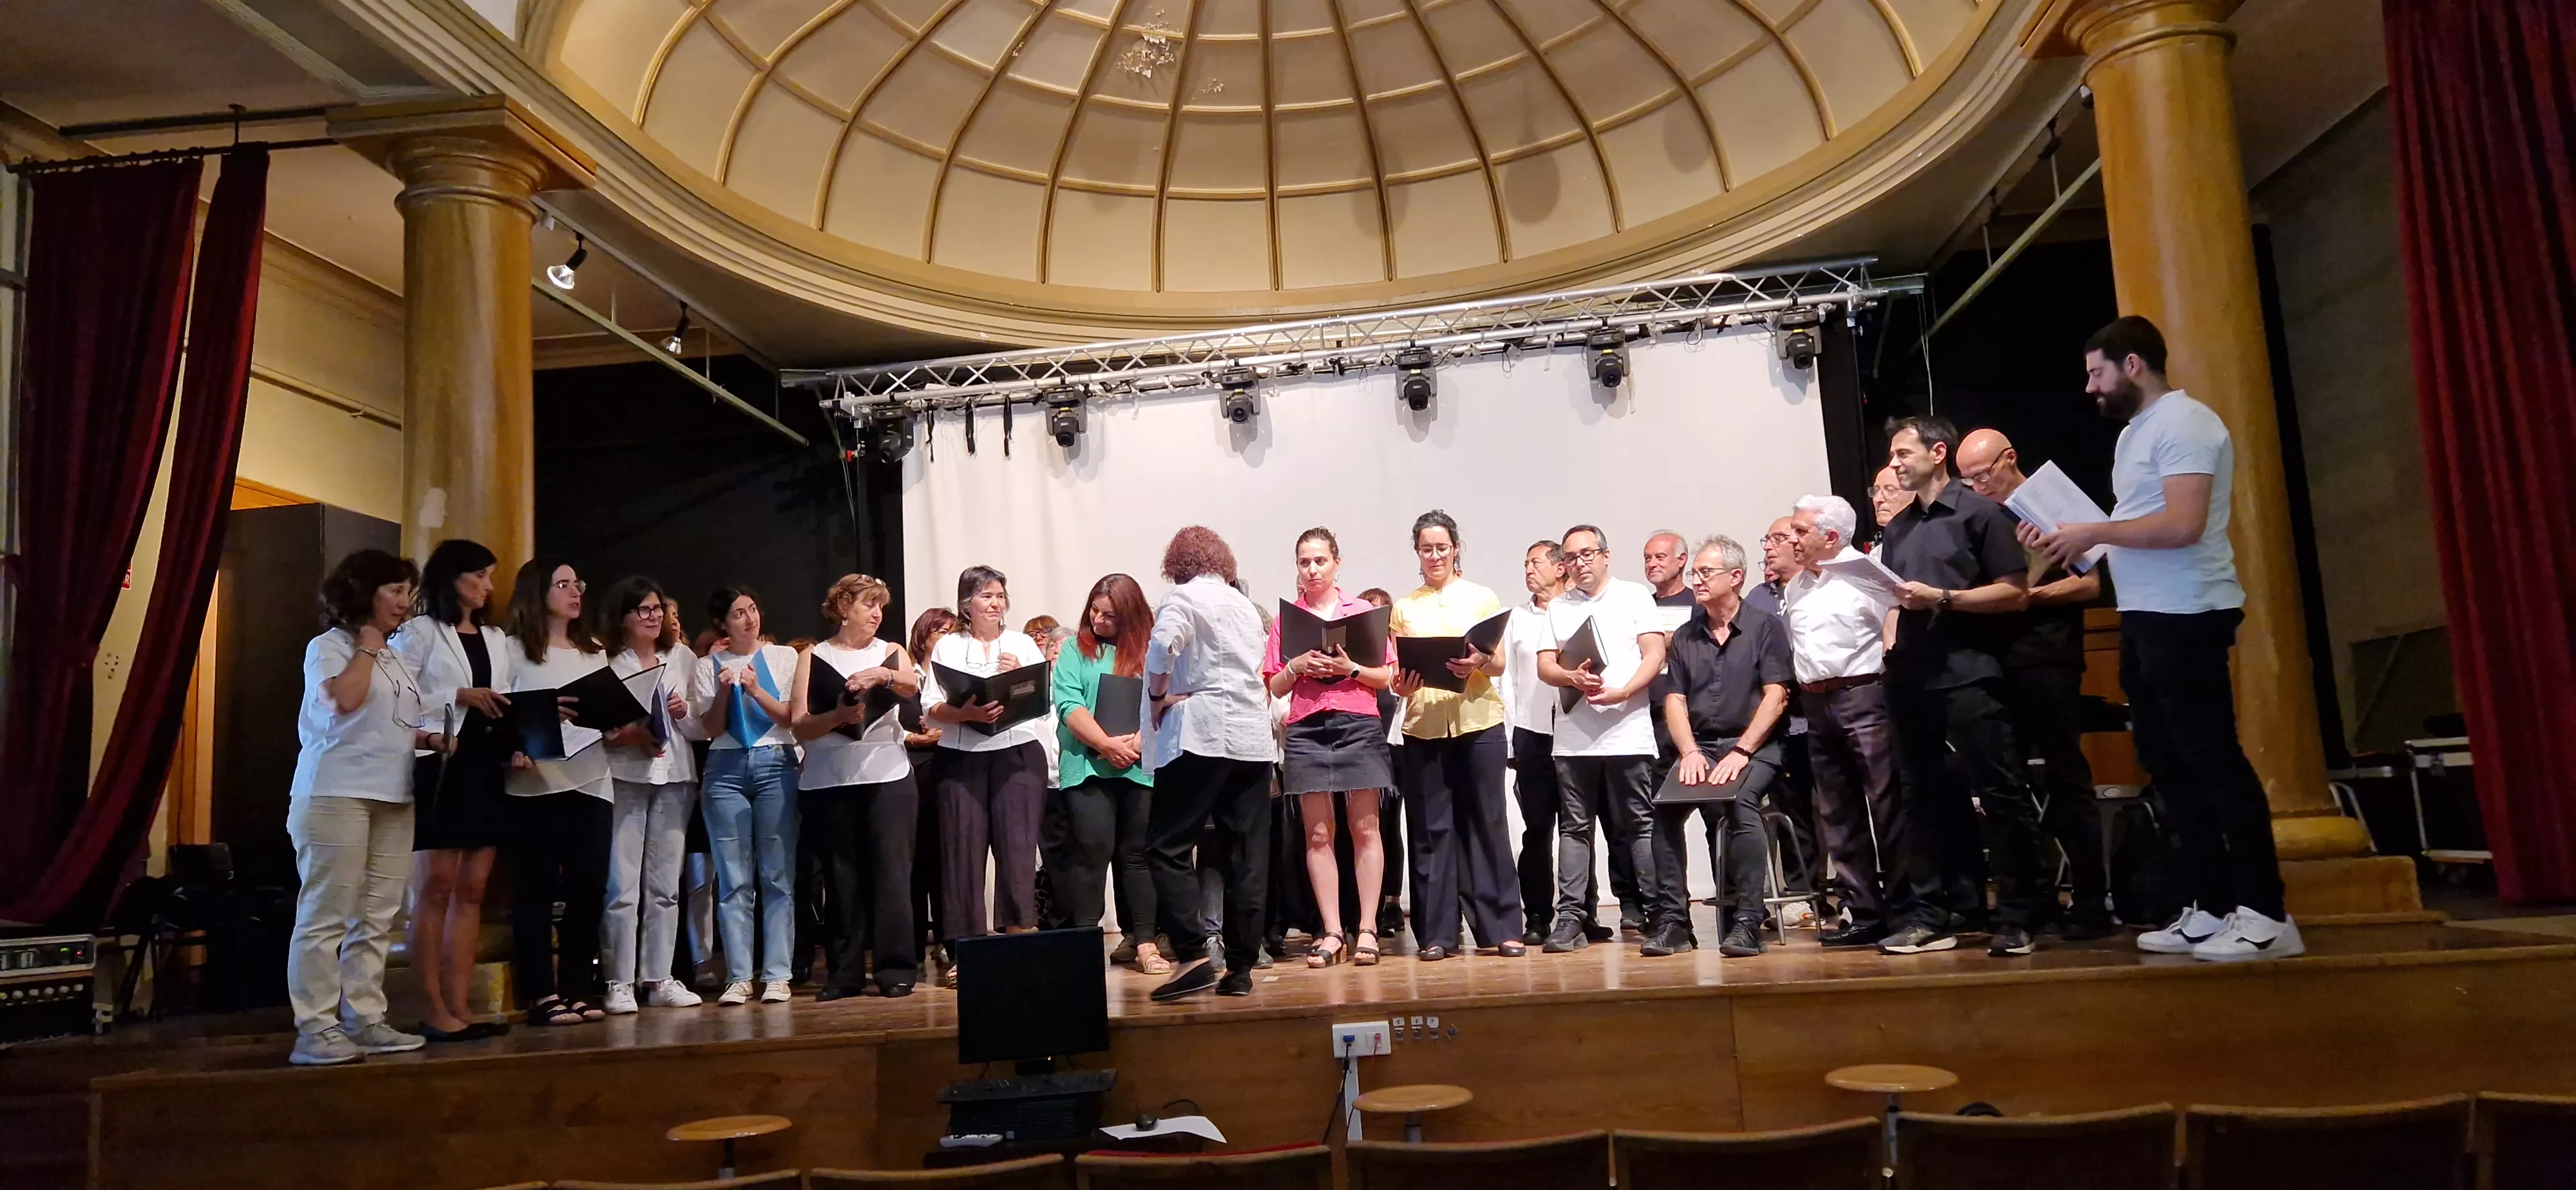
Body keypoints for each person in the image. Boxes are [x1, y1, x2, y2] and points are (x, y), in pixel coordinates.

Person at [2029, 316, 2299, 961]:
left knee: (2212, 760)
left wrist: (2092, 533)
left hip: (2189, 612)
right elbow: (2132, 527)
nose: (2090, 387)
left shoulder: (2186, 423)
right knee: (2167, 763)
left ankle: (2266, 911)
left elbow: (2181, 524)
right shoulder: (2132, 436)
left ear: (2131, 365)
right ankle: (2207, 906)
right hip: (2146, 614)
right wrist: (2062, 535)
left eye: (2097, 372)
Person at [1879, 416, 2047, 958]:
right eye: (1893, 454)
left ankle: (2020, 914)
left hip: (1970, 672)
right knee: (1920, 798)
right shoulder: (1901, 527)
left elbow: (2015, 592)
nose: (1896, 463)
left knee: (2000, 792)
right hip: (1912, 676)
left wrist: (1944, 598)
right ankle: (1931, 913)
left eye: (1905, 453)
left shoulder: (1981, 513)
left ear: (1938, 452)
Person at [1956, 428, 2115, 940]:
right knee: (2005, 787)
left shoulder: (2050, 502)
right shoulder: (1976, 518)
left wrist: (2028, 596)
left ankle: (2092, 900)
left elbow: (2091, 584)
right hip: (1993, 663)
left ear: (2011, 459)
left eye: (1984, 474)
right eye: (1968, 479)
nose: (1978, 486)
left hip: (2047, 658)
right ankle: (2035, 897)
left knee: (2066, 778)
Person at [285, 549, 435, 1066]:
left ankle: (365, 1018)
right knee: (326, 916)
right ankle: (315, 1028)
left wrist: (429, 739)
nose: (404, 602)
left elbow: (384, 724)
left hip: (393, 795)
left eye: (406, 591)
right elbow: (341, 702)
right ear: (363, 594)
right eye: (394, 591)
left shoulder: (392, 656)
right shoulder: (329, 647)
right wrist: (368, 649)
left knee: (377, 917)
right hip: (336, 793)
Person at [1139, 527, 1276, 999]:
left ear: (1177, 562)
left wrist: (1158, 695)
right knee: (1247, 858)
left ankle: (1193, 953)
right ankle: (1240, 969)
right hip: (1253, 741)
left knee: (1166, 845)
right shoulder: (1243, 605)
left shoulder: (1183, 598)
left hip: (1202, 733)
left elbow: (1161, 648)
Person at [388, 539, 513, 1043]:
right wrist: (458, 695)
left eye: (489, 577)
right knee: (435, 886)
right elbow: (399, 694)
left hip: (484, 761)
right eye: (477, 576)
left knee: (473, 890)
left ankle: (460, 1005)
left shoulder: (498, 637)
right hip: (439, 760)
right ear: (451, 579)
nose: (486, 586)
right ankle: (431, 1005)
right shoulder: (418, 632)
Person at [1387, 511, 1524, 962]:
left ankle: (1501, 928)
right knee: (1430, 831)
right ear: (1417, 554)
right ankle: (1436, 933)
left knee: (1488, 824)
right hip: (1424, 726)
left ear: (1456, 548)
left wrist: (1479, 661)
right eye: (1426, 549)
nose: (1435, 556)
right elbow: (1394, 674)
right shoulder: (1404, 608)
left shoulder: (1481, 596)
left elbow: (1499, 661)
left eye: (1442, 547)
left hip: (1478, 721)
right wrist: (1400, 684)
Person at [1264, 528, 1397, 968]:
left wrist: (1350, 667)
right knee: (1318, 834)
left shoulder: (1361, 613)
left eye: (1320, 560)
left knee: (1365, 829)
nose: (1312, 569)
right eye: (1304, 562)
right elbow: (1274, 686)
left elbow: (1387, 678)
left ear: (1337, 563)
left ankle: (1368, 929)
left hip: (1357, 723)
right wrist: (1296, 666)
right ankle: (1332, 930)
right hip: (1307, 728)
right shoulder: (1288, 620)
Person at [1658, 536, 1795, 958]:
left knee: (1741, 802)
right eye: (1694, 572)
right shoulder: (1685, 635)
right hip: (1703, 746)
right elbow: (1674, 700)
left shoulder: (1763, 626)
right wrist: (1690, 753)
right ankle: (1674, 923)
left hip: (1755, 746)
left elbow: (1777, 696)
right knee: (1662, 809)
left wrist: (1742, 751)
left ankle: (1749, 923)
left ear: (1735, 578)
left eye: (1704, 572)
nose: (1695, 580)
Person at [1537, 525, 1671, 954]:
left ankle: (1660, 914)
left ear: (1606, 556)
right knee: (1575, 828)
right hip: (1575, 737)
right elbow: (1546, 666)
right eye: (1572, 558)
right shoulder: (1559, 606)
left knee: (1640, 824)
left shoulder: (1634, 596)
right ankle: (1571, 916)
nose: (1580, 563)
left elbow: (1655, 653)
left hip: (1628, 732)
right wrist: (1570, 675)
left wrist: (1625, 691)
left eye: (1588, 554)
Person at [790, 573, 923, 999]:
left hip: (886, 776)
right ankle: (844, 972)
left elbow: (912, 685)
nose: (876, 613)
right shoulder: (813, 656)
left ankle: (896, 968)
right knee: (841, 879)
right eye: (868, 604)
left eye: (880, 606)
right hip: (830, 779)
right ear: (843, 607)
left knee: (891, 875)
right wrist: (837, 719)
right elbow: (799, 724)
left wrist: (880, 678)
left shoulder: (891, 652)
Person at [501, 558, 616, 1025]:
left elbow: (606, 708)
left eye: (578, 583)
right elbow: (502, 709)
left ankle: (576, 989)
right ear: (537, 592)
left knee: (589, 886)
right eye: (563, 584)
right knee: (536, 889)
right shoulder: (511, 649)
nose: (575, 592)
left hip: (592, 775)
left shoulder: (593, 650)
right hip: (535, 781)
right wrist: (516, 743)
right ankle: (540, 994)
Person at [922, 566, 1051, 981]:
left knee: (1017, 851)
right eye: (986, 596)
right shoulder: (948, 647)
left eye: (1000, 596)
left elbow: (1043, 701)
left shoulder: (1022, 644)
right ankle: (966, 953)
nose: (995, 604)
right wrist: (966, 713)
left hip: (1017, 754)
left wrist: (1018, 679)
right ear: (966, 604)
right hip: (962, 755)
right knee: (962, 852)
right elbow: (931, 706)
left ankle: (1018, 942)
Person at [1786, 495, 1902, 949]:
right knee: (1838, 812)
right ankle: (1863, 910)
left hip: (1864, 696)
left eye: (1800, 531)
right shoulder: (1799, 585)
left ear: (1830, 537)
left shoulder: (1868, 578)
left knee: (1886, 805)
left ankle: (1906, 906)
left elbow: (1894, 635)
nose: (1792, 539)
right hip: (1817, 704)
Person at [597, 577, 711, 1014]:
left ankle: (659, 976)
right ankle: (618, 980)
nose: (653, 617)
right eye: (642, 610)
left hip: (675, 774)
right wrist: (630, 733)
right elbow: (600, 728)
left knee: (666, 886)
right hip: (626, 775)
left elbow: (701, 728)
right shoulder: (608, 661)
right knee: (622, 886)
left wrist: (684, 714)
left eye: (657, 609)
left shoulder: (680, 656)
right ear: (623, 617)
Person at [1050, 574, 1167, 974]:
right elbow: (1068, 703)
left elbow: (1163, 698)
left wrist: (1135, 742)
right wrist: (1106, 745)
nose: (1099, 621)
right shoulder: (1073, 650)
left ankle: (1146, 942)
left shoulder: (1149, 651)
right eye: (1094, 612)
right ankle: (1084, 942)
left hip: (1138, 766)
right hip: (1087, 766)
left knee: (1137, 856)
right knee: (1091, 853)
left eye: (1110, 616)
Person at [695, 585, 804, 1005]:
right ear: (723, 623)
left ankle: (777, 974)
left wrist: (757, 689)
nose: (749, 619)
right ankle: (739, 975)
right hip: (724, 769)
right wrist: (724, 688)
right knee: (734, 878)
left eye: (753, 610)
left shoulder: (782, 656)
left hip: (775, 762)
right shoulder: (708, 664)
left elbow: (791, 717)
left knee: (777, 874)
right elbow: (711, 729)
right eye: (739, 614)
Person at [1501, 540, 1579, 944]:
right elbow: (1509, 681)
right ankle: (1536, 915)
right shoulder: (1518, 618)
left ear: (1560, 568)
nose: (1529, 570)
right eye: (1526, 563)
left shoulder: (1577, 610)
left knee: (1577, 828)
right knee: (1536, 830)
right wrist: (1513, 738)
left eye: (1536, 562)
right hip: (1532, 735)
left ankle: (1579, 912)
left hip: (1576, 732)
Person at [904, 608, 958, 970]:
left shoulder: (954, 673)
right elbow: (889, 725)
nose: (945, 636)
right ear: (923, 636)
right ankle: (909, 946)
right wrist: (920, 737)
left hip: (948, 768)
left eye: (952, 630)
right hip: (909, 769)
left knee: (946, 858)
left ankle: (948, 940)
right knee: (913, 861)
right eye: (939, 630)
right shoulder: (906, 674)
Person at [1355, 586, 1408, 943]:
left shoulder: (1397, 654)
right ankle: (1364, 910)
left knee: (1390, 825)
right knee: (1365, 826)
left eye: (1381, 609)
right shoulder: (1357, 653)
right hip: (1363, 746)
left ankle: (1392, 901)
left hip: (1396, 747)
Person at [1868, 466, 1906, 542]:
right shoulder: (1876, 553)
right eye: (1876, 491)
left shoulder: (1931, 545)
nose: (1878, 499)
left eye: (1890, 490)